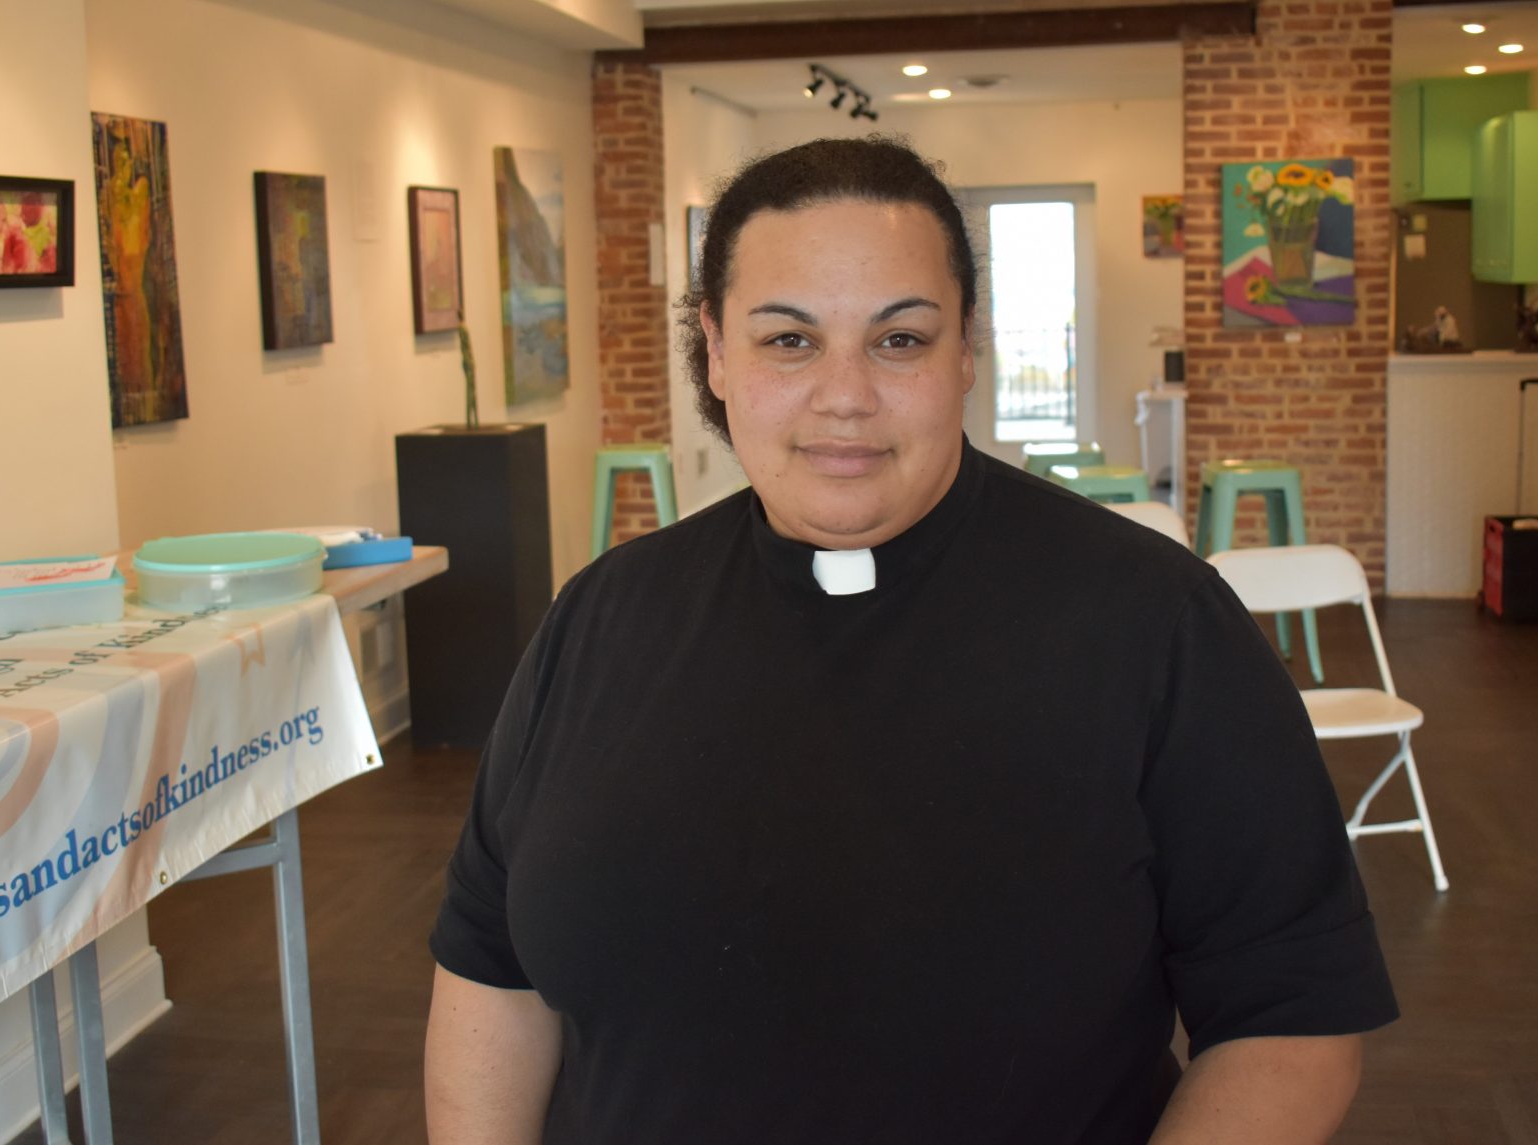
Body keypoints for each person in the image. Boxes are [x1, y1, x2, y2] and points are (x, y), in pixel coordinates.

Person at [423, 136, 1397, 1144]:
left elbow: (1294, 1019)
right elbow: (491, 967)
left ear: (966, 347)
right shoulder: (600, 617)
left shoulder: (1160, 626)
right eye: (788, 339)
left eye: (900, 339)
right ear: (715, 351)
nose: (845, 395)